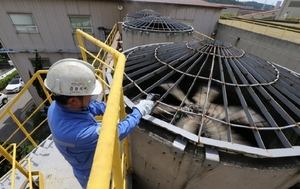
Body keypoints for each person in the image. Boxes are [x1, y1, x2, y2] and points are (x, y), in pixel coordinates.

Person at [44, 58, 154, 188]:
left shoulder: (58, 106)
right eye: (89, 94)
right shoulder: (77, 134)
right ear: (73, 100)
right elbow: (115, 132)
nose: (91, 97)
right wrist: (139, 112)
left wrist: (113, 105)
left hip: (83, 160)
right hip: (90, 174)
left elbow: (88, 107)